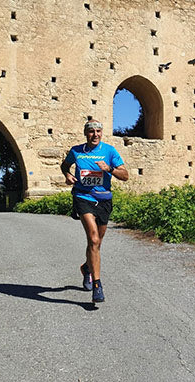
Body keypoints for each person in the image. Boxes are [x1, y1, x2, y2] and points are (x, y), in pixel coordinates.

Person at [60, 119, 129, 303]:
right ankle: (97, 285)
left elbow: (125, 175)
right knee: (93, 238)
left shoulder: (109, 151)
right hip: (83, 197)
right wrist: (68, 175)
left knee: (96, 245)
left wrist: (110, 169)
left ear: (101, 133)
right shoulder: (77, 151)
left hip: (104, 200)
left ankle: (87, 268)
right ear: (86, 133)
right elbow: (65, 165)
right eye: (91, 131)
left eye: (98, 131)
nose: (95, 134)